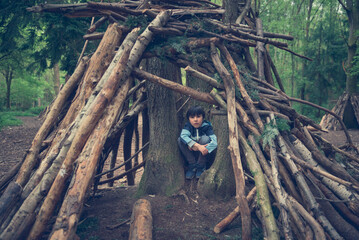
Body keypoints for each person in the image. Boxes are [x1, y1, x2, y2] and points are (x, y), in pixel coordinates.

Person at [178, 105, 217, 179]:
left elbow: (214, 142)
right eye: (192, 117)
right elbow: (183, 136)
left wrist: (206, 148)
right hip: (191, 153)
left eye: (198, 116)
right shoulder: (188, 126)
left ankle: (200, 167)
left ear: (203, 117)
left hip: (203, 155)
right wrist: (196, 146)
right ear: (189, 119)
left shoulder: (206, 126)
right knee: (180, 140)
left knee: (205, 139)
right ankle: (192, 165)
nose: (195, 120)